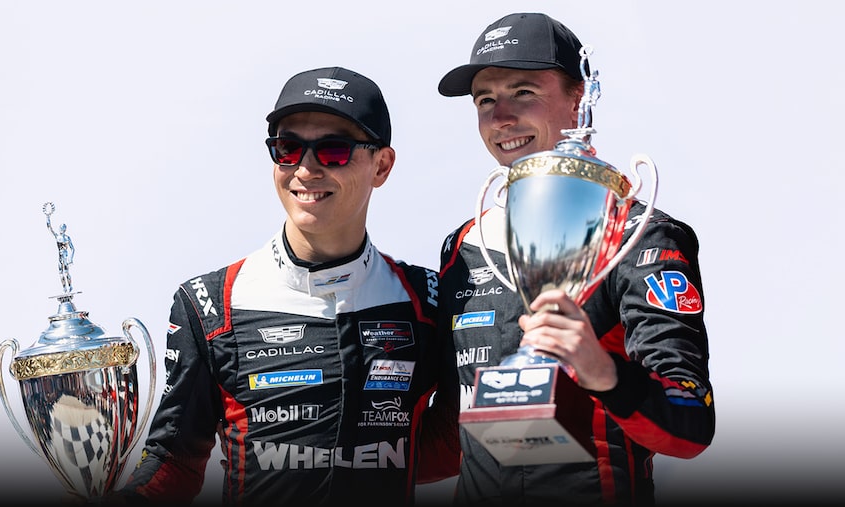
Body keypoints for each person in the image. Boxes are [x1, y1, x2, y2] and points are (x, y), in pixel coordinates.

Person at [117, 66, 458, 506]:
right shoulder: (210, 303)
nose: (306, 168)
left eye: (334, 150)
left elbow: (452, 443)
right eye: (289, 147)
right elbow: (174, 463)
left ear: (382, 165)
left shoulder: (427, 301)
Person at [434, 12, 715, 505]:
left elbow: (690, 422)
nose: (501, 117)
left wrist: (602, 372)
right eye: (485, 100)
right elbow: (446, 435)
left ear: (578, 98)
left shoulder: (639, 232)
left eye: (523, 92)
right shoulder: (463, 245)